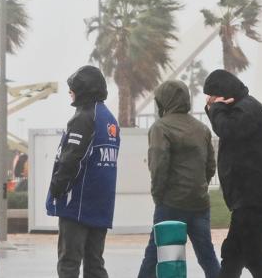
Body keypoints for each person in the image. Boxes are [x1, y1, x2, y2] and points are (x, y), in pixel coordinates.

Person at [203, 69, 262, 278]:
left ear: (222, 94)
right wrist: (216, 109)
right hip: (250, 198)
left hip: (253, 198)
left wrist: (216, 109)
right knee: (241, 255)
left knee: (247, 256)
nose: (209, 101)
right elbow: (225, 128)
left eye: (212, 97)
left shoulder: (246, 110)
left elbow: (228, 130)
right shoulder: (242, 108)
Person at [137, 80, 220, 278]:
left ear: (163, 101)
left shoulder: (161, 128)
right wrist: (199, 187)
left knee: (155, 254)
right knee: (207, 256)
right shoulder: (202, 128)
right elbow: (210, 166)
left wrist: (159, 196)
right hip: (199, 203)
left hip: (170, 203)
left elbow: (158, 167)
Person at [46, 65, 120, 278]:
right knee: (95, 263)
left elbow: (72, 159)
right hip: (101, 204)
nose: (70, 92)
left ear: (83, 90)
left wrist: (57, 187)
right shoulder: (109, 120)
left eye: (73, 88)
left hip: (77, 203)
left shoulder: (84, 117)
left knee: (69, 262)